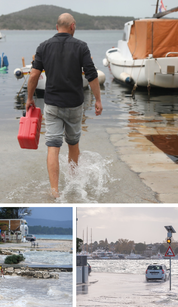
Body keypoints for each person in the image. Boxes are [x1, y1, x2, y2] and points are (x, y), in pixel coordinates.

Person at [26, 13, 102, 198]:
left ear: (56, 26)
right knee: (73, 144)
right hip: (75, 105)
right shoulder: (81, 46)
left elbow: (34, 75)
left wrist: (29, 98)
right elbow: (91, 75)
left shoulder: (43, 46)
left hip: (52, 104)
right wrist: (98, 100)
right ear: (72, 26)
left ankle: (54, 191)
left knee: (53, 146)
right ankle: (74, 182)